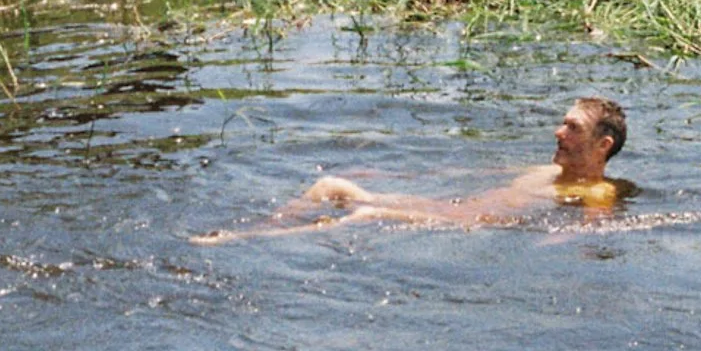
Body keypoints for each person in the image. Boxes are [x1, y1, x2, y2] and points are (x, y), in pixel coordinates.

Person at [208, 95, 633, 239]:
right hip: (439, 205)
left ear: (603, 145)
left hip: (462, 224)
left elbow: (590, 231)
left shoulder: (599, 192)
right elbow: (471, 181)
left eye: (572, 128)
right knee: (330, 185)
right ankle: (259, 228)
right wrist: (394, 180)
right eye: (562, 123)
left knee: (366, 214)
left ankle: (236, 241)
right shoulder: (544, 173)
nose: (558, 132)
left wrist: (546, 245)